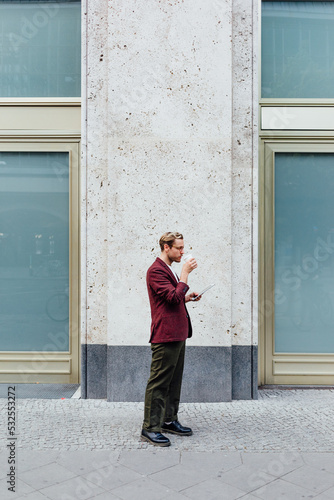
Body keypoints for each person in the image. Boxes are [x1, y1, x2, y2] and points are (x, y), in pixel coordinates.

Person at [141, 231, 201, 447]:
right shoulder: (156, 270)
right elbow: (171, 296)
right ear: (166, 247)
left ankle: (168, 420)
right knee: (158, 383)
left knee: (174, 382)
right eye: (179, 248)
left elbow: (173, 298)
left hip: (177, 332)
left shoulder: (167, 270)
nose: (183, 252)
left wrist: (187, 297)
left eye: (183, 247)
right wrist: (185, 274)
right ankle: (150, 427)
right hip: (165, 335)